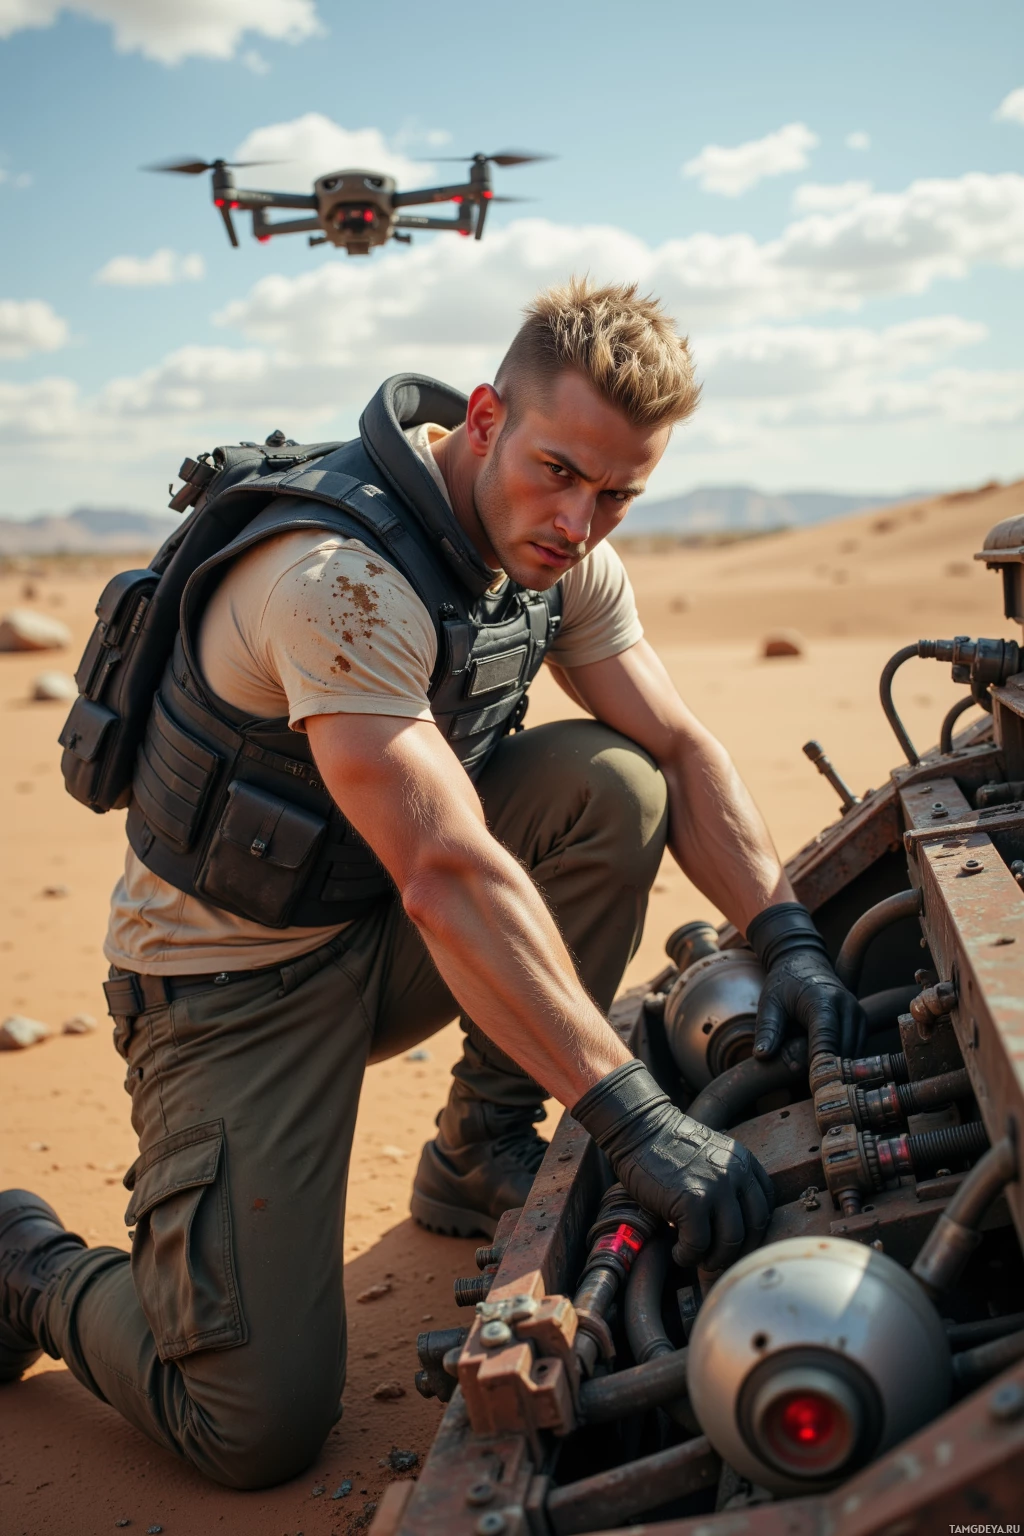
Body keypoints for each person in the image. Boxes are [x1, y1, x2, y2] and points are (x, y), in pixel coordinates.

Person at [0, 278, 861, 1488]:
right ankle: (28, 1264)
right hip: (229, 987)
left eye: (618, 493)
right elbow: (444, 872)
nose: (580, 519)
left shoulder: (560, 557)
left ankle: (477, 1148)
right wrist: (633, 1117)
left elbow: (678, 747)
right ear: (484, 416)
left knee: (615, 783)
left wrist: (787, 935)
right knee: (251, 1427)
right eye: (559, 471)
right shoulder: (337, 579)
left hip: (378, 931)